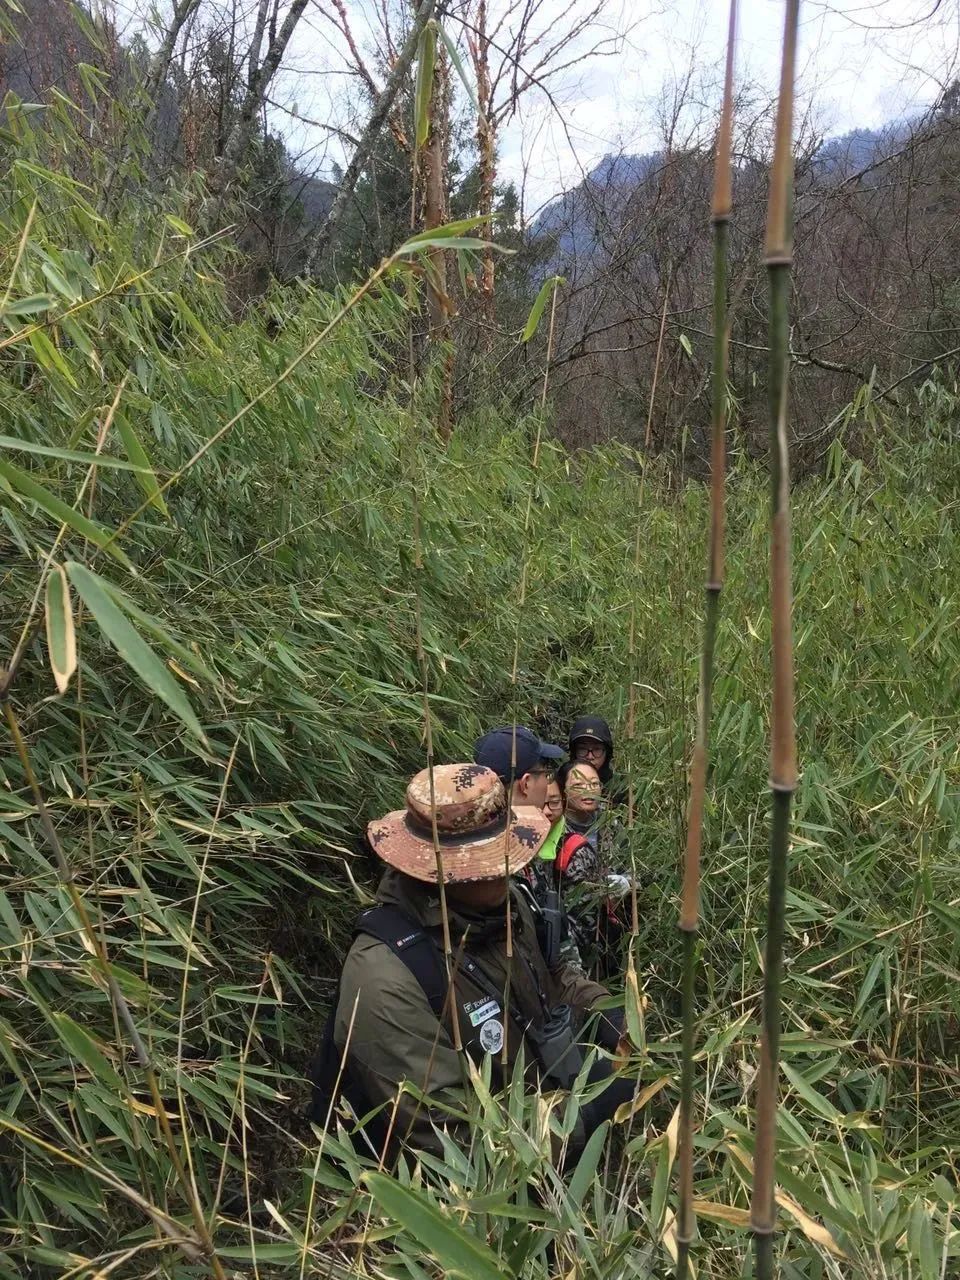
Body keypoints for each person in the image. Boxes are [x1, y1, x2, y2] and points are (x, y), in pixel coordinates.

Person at [307, 763, 632, 1162]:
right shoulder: (385, 980)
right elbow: (457, 1139)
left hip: (536, 1107)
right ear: (442, 871)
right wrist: (588, 1113)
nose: (509, 867)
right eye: (493, 860)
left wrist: (613, 1015)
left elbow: (550, 978)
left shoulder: (504, 903)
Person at [473, 723, 565, 810]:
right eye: (546, 775)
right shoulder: (533, 826)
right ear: (526, 783)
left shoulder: (467, 822)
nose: (547, 783)